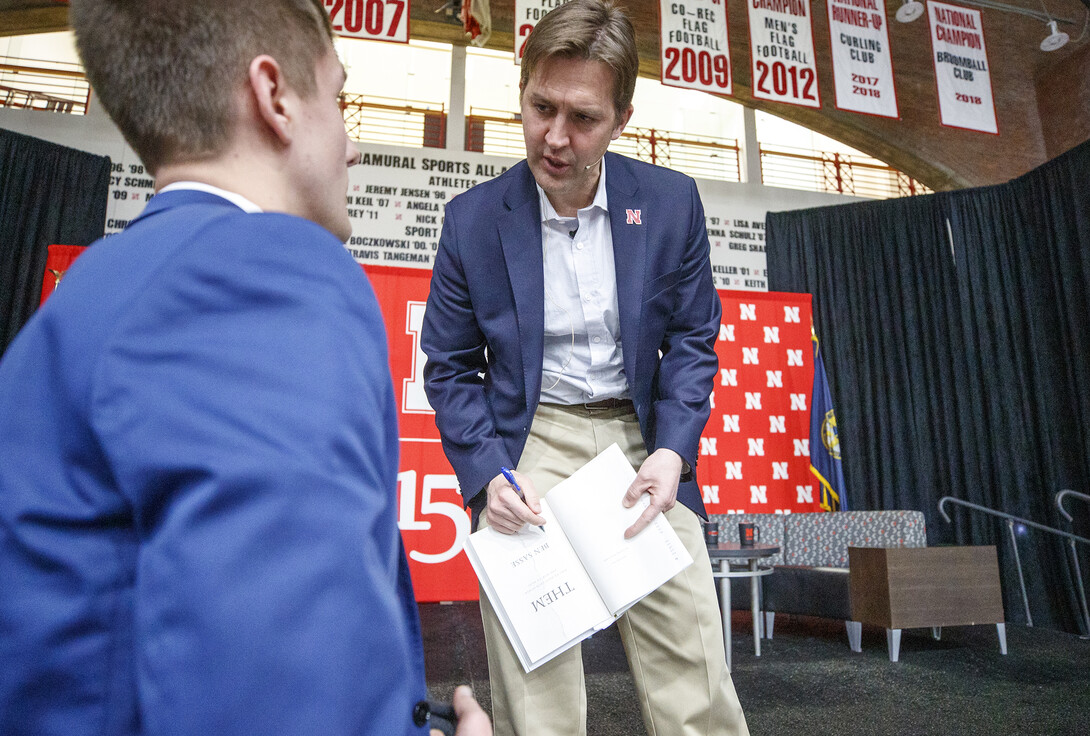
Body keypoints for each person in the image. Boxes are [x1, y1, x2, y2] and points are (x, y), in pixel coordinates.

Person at [0, 2, 489, 735]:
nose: (353, 146)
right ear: (275, 98)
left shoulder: (76, 310)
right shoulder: (265, 274)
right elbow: (282, 691)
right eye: (340, 98)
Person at [420, 1, 749, 734]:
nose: (555, 138)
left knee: (690, 654)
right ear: (524, 90)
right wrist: (485, 474)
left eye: (584, 118)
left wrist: (671, 450)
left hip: (639, 440)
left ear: (622, 119)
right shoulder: (473, 220)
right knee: (533, 668)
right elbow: (447, 364)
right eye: (541, 107)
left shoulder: (668, 205)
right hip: (529, 440)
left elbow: (694, 338)